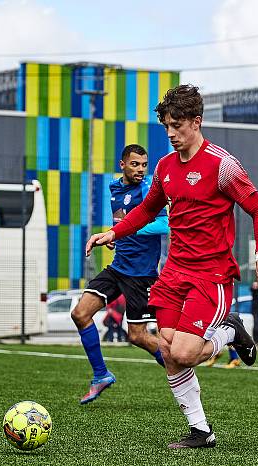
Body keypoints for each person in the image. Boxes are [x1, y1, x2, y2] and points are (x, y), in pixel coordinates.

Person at [86, 84, 258, 448]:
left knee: (184, 352)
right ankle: (201, 430)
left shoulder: (222, 166)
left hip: (212, 276)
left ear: (197, 121)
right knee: (167, 349)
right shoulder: (164, 168)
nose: (171, 134)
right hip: (174, 273)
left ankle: (231, 332)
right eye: (166, 127)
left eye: (177, 125)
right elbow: (147, 210)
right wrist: (113, 232)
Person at [71, 144, 168, 404]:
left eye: (144, 165)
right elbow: (120, 221)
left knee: (137, 336)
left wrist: (125, 231)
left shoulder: (148, 189)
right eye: (135, 164)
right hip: (118, 267)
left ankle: (178, 371)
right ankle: (101, 375)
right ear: (122, 164)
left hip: (141, 275)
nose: (140, 170)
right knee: (80, 313)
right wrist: (115, 237)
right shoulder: (114, 188)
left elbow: (164, 223)